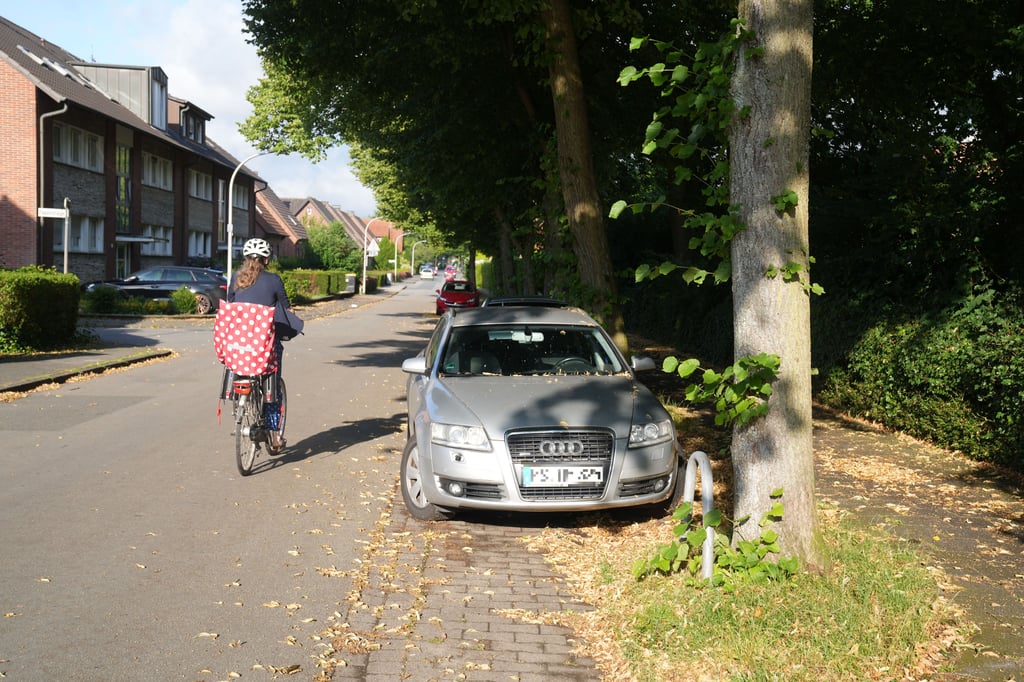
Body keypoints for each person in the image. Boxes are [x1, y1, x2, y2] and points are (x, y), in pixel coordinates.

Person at [229, 237, 291, 451]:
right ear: (267, 260)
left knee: (239, 368)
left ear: (246, 259)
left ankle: (238, 401)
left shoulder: (236, 278)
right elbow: (285, 310)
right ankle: (274, 437)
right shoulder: (273, 280)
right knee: (272, 388)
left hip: (238, 347)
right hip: (264, 346)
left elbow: (230, 307)